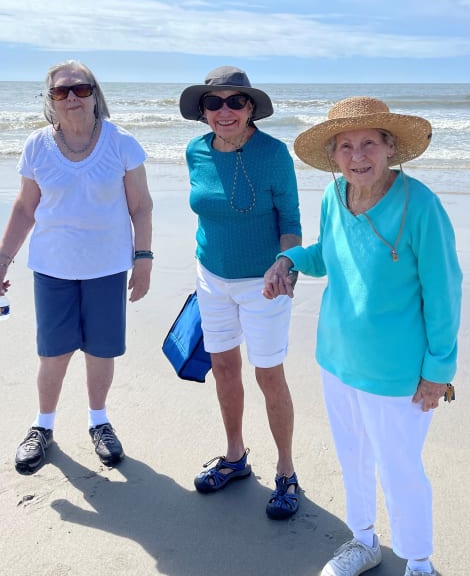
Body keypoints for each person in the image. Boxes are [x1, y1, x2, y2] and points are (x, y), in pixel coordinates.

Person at [263, 97, 462, 574]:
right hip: (337, 358)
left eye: (369, 143)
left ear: (390, 148)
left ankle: (418, 561)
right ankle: (364, 541)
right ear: (333, 155)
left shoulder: (422, 206)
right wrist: (289, 260)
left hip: (397, 372)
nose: (358, 156)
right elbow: (328, 256)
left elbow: (444, 294)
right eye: (346, 146)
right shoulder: (335, 197)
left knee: (401, 471)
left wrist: (438, 373)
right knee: (352, 456)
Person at [0, 60, 153, 474]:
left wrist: (144, 258)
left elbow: (141, 206)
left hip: (108, 266)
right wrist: (2, 259)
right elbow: (24, 208)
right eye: (61, 92)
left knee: (101, 350)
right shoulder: (36, 145)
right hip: (53, 267)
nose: (71, 97)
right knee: (54, 351)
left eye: (80, 89)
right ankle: (42, 427)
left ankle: (98, 421)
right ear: (50, 101)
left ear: (94, 94)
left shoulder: (121, 142)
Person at [178, 66, 302, 519]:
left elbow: (290, 220)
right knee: (224, 368)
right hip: (210, 279)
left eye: (235, 101)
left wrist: (285, 264)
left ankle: (286, 472)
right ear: (203, 110)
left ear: (251, 108)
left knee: (269, 375)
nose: (224, 111)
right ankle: (235, 457)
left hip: (263, 284)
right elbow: (205, 214)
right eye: (214, 102)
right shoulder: (195, 150)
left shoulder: (273, 153)